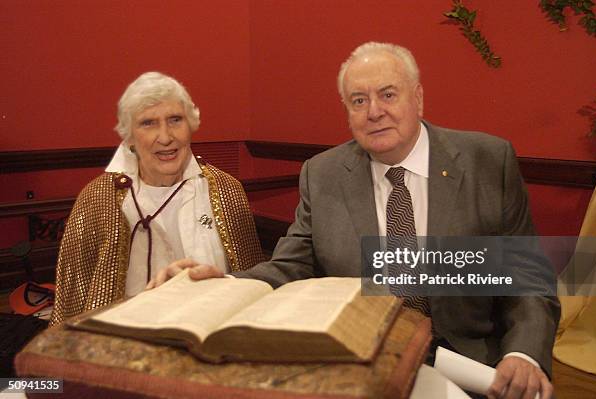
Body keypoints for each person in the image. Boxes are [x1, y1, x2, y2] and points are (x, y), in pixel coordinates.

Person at [159, 43, 560, 399]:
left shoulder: (487, 161)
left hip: (471, 361)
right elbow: (291, 266)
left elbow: (526, 277)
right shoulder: (323, 174)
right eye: (358, 100)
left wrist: (524, 352)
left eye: (388, 94)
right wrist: (223, 284)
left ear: (417, 97)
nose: (375, 112)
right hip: (360, 360)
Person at [49, 72, 264, 326]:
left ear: (191, 124)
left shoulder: (226, 190)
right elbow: (72, 303)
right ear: (129, 136)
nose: (165, 137)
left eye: (175, 120)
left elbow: (251, 289)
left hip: (212, 335)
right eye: (148, 123)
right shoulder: (98, 198)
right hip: (124, 343)